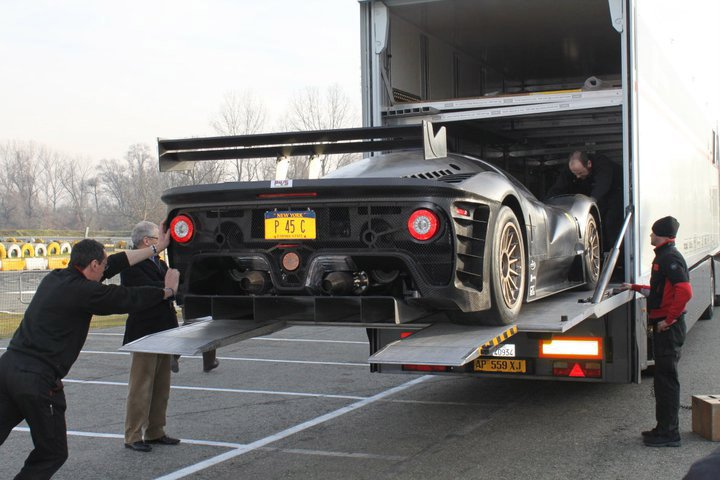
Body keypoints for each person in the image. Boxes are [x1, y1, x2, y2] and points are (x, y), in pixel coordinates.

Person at [0, 230, 179, 479]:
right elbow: (126, 298)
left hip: (7, 368)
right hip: (37, 379)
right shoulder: (86, 292)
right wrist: (167, 291)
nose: (106, 270)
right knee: (53, 453)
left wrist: (155, 248)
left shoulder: (56, 278)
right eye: (102, 266)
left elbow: (115, 262)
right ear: (93, 264)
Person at [622, 216, 692, 447]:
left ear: (661, 235)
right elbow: (662, 291)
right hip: (664, 324)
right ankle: (662, 428)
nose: (650, 236)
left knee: (667, 380)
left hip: (668, 328)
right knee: (662, 380)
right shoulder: (664, 256)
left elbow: (684, 292)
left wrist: (669, 320)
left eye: (652, 233)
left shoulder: (670, 258)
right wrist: (634, 287)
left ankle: (670, 434)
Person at [121, 221, 181, 453]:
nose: (163, 243)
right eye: (159, 238)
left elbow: (172, 288)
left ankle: (156, 431)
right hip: (144, 333)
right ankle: (133, 434)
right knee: (141, 387)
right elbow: (144, 291)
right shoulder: (132, 264)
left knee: (161, 387)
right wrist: (167, 286)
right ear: (147, 242)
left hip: (164, 331)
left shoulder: (160, 263)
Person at [546, 150, 623, 250]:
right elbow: (559, 186)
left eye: (580, 172)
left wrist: (590, 203)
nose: (577, 176)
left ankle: (616, 254)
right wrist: (547, 201)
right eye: (575, 173)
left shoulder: (603, 164)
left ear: (589, 164)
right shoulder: (572, 170)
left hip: (615, 193)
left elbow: (602, 185)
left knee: (610, 222)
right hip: (595, 197)